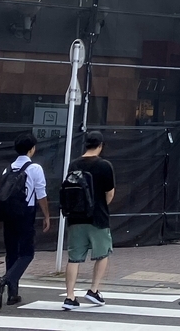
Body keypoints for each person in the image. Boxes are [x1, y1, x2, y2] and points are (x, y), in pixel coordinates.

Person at [0, 132, 50, 309]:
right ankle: (4, 281)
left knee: (12, 253)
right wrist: (47, 215)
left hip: (8, 214)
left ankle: (13, 294)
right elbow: (41, 194)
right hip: (26, 213)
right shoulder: (35, 169)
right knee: (27, 253)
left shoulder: (8, 168)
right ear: (32, 149)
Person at [62, 131, 115, 311]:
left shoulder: (74, 164)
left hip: (75, 217)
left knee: (74, 258)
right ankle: (93, 290)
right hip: (98, 217)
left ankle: (69, 296)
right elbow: (109, 193)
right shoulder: (105, 166)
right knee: (103, 253)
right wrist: (100, 205)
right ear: (100, 145)